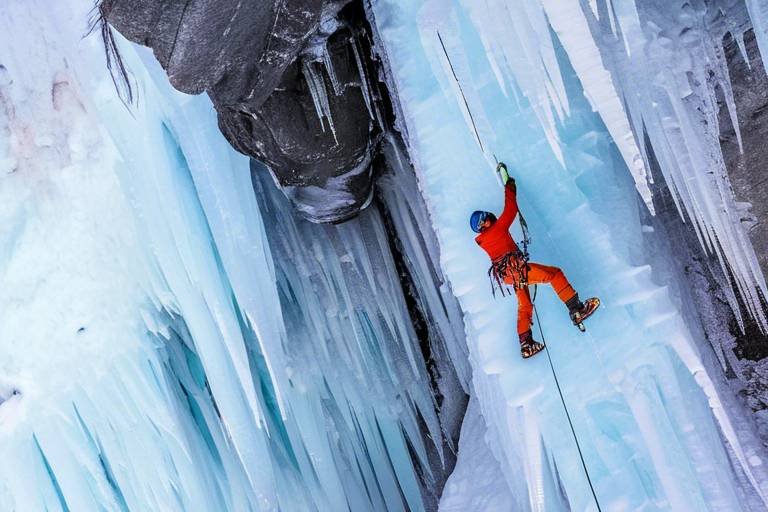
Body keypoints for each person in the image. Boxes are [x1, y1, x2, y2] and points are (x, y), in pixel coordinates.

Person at [470, 163, 599, 359]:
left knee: (524, 305)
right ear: (484, 223)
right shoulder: (496, 229)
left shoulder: (484, 241)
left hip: (509, 276)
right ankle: (577, 310)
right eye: (487, 217)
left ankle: (526, 344)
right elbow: (510, 209)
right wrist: (509, 185)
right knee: (554, 275)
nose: (490, 217)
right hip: (518, 270)